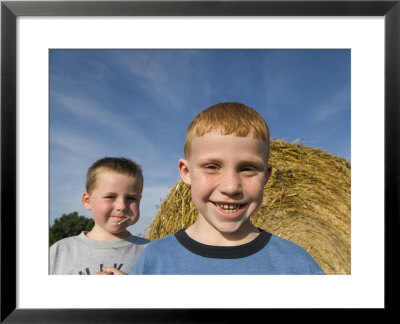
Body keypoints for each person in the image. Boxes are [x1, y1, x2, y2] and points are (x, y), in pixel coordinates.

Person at [130, 102, 324, 274]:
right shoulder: (153, 262)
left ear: (266, 176)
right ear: (186, 172)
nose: (231, 187)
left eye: (248, 169)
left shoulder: (298, 266)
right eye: (212, 167)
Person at [50, 157, 150, 275]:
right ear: (88, 201)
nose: (122, 206)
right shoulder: (59, 252)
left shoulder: (151, 251)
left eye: (131, 198)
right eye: (110, 197)